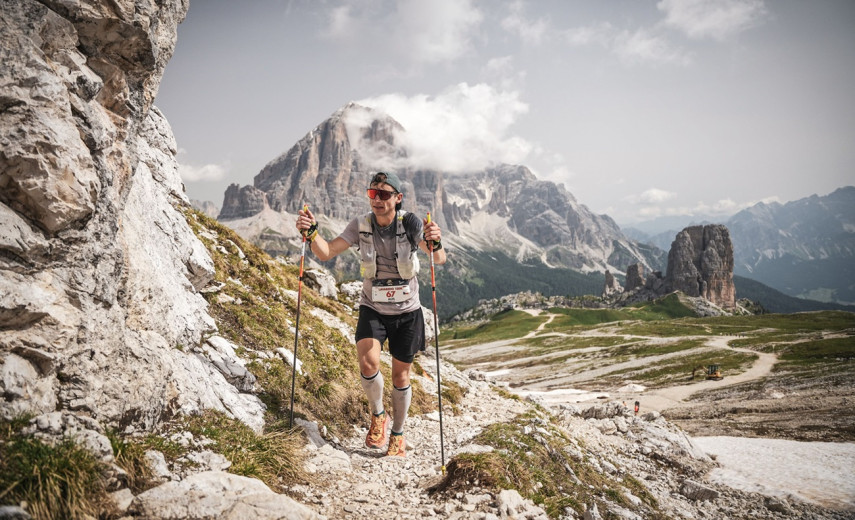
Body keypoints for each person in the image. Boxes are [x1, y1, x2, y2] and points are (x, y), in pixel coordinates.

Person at [295, 171, 446, 457]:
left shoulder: (411, 223)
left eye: (385, 194)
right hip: (373, 306)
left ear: (398, 199)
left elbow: (437, 257)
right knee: (367, 363)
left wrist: (435, 241)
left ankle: (398, 434)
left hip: (407, 311)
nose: (377, 200)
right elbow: (326, 252)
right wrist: (312, 232)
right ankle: (379, 416)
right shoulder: (360, 225)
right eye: (373, 194)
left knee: (401, 378)